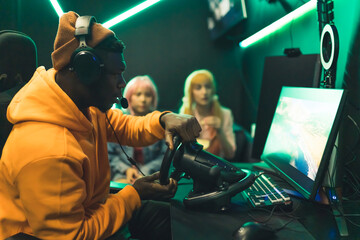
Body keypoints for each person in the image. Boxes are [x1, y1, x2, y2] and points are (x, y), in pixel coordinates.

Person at [0, 12, 201, 240]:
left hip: (93, 216)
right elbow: (75, 236)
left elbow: (126, 126)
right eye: (116, 75)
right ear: (86, 72)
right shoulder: (48, 151)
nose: (122, 84)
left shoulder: (83, 108)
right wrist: (133, 195)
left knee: (177, 219)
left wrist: (163, 119)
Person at [108, 75, 167, 184]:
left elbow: (165, 156)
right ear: (129, 96)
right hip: (122, 175)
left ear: (153, 98)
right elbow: (110, 154)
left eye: (147, 95)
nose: (143, 99)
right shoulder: (117, 121)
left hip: (152, 175)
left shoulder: (160, 123)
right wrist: (126, 169)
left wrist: (144, 172)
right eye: (138, 94)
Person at [179, 69, 235, 159]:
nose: (204, 92)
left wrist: (220, 131)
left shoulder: (225, 114)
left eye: (208, 87)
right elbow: (180, 151)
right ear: (191, 92)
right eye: (198, 88)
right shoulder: (185, 114)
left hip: (217, 166)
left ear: (213, 89)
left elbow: (230, 154)